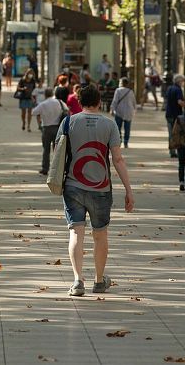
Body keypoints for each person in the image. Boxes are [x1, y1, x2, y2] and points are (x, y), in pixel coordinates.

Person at [56, 84, 134, 296]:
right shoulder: (109, 125)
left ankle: (77, 281)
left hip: (72, 186)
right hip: (101, 188)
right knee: (100, 235)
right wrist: (128, 189)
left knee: (75, 233)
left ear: (79, 102)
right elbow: (117, 159)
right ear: (99, 101)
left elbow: (58, 152)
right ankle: (99, 281)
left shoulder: (68, 122)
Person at [32, 88, 68, 175]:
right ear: (52, 94)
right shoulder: (59, 102)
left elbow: (33, 112)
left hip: (46, 129)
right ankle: (58, 169)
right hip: (57, 128)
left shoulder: (43, 104)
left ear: (45, 95)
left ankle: (45, 168)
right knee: (57, 150)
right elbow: (66, 109)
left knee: (46, 150)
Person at [110, 78, 136, 148]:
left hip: (119, 111)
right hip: (128, 112)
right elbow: (134, 102)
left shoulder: (118, 90)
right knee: (127, 128)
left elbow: (115, 101)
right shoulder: (130, 91)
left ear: (122, 83)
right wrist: (134, 111)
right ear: (127, 84)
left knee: (118, 128)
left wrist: (112, 109)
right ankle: (126, 142)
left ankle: (119, 141)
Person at [165, 74, 185, 158]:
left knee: (170, 133)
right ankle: (177, 150)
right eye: (183, 81)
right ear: (179, 81)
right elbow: (179, 101)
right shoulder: (178, 90)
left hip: (168, 114)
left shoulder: (170, 88)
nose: (183, 83)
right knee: (177, 133)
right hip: (176, 115)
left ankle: (172, 150)